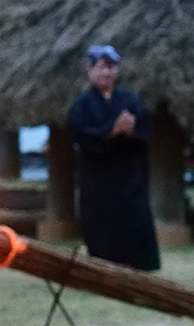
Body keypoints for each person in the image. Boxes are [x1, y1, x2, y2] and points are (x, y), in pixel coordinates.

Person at [66, 45, 160, 271]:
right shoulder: (82, 105)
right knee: (102, 223)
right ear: (89, 70)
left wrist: (131, 131)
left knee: (133, 219)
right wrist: (111, 131)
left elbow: (145, 130)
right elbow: (82, 135)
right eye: (100, 68)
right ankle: (103, 268)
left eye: (111, 68)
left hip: (128, 175)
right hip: (98, 178)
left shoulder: (128, 100)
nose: (106, 73)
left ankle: (139, 267)